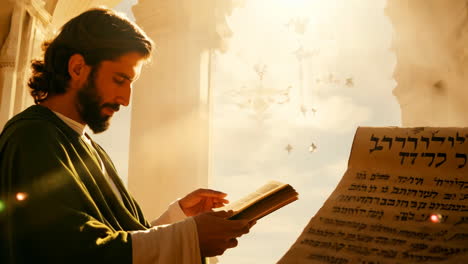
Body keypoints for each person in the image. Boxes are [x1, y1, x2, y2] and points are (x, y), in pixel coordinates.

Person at [0, 7, 253, 264]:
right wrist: (189, 236)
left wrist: (177, 217)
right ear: (77, 68)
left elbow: (117, 239)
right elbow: (67, 250)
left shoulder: (90, 148)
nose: (126, 99)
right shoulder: (33, 136)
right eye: (120, 79)